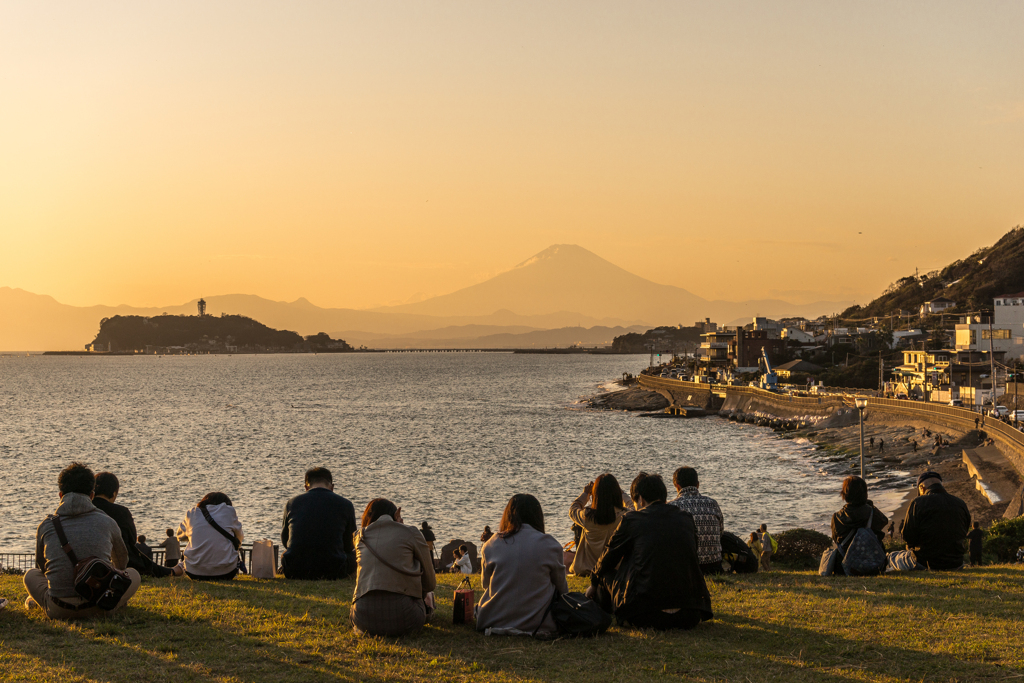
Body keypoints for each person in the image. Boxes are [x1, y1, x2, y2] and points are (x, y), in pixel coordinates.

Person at [588, 472, 713, 630]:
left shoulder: (632, 520)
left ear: (640, 499)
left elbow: (608, 557)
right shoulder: (686, 518)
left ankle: (608, 611)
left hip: (645, 615)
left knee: (605, 573)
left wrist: (593, 582)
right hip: (690, 614)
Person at [23, 462, 142, 619]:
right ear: (91, 495)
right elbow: (121, 561)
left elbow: (42, 566)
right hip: (101, 606)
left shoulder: (46, 525)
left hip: (59, 609)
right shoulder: (107, 522)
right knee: (134, 574)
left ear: (60, 495)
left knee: (30, 574)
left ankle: (35, 601)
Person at [476, 494, 569, 636]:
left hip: (493, 620)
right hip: (540, 623)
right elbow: (562, 589)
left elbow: (485, 584)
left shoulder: (491, 545)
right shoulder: (550, 545)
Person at [350, 498, 436, 637]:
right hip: (405, 618)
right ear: (397, 514)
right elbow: (430, 583)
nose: (402, 521)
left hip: (362, 618)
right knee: (429, 596)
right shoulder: (411, 533)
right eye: (401, 517)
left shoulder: (359, 537)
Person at [91, 472, 180, 578]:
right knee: (140, 560)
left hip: (92, 557)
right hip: (121, 559)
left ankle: (169, 571)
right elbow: (132, 539)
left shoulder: (88, 508)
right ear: (114, 493)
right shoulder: (121, 512)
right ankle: (170, 572)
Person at [280, 467, 357, 580]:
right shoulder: (346, 504)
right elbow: (350, 544)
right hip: (335, 570)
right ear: (332, 487)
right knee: (358, 555)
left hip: (295, 569)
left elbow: (285, 540)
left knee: (285, 553)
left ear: (306, 487)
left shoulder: (292, 503)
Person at [888, 472, 971, 571]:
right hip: (956, 563)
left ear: (922, 488)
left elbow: (907, 536)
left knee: (892, 557)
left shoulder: (918, 502)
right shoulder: (960, 503)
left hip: (925, 562)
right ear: (941, 484)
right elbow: (964, 530)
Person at [668, 467, 724, 574]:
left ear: (676, 486)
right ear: (697, 484)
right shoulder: (713, 503)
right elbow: (720, 533)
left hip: (686, 567)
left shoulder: (672, 507)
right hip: (714, 565)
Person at [568, 473, 627, 576]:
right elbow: (635, 508)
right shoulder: (625, 516)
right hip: (617, 569)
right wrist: (622, 494)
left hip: (588, 570)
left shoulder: (587, 516)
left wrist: (585, 494)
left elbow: (573, 510)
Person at [176, 492, 244, 580]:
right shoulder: (229, 511)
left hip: (193, 572)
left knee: (190, 542)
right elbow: (239, 538)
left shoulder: (192, 512)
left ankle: (176, 569)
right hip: (227, 572)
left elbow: (179, 536)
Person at [831, 476, 889, 544]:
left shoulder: (836, 518)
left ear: (844, 494)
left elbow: (835, 539)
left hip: (846, 554)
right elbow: (884, 521)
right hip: (871, 553)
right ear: (865, 494)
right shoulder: (872, 513)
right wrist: (869, 504)